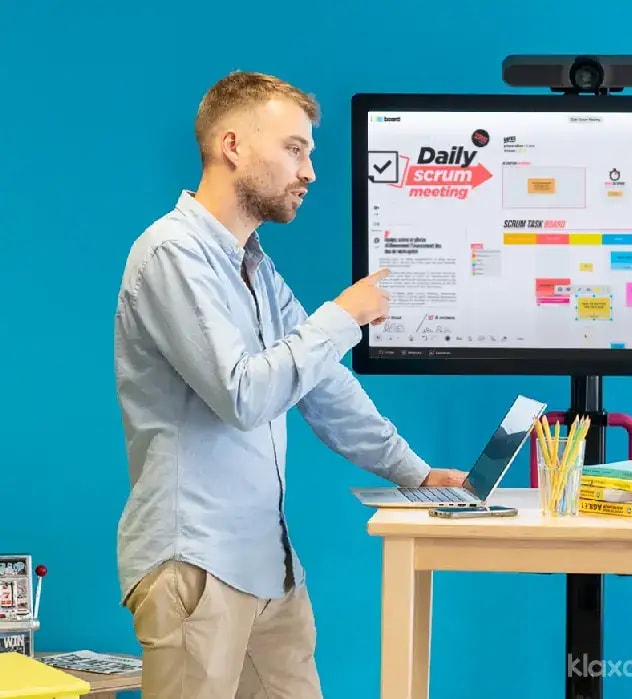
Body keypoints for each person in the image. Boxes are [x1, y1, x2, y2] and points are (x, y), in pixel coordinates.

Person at [112, 71, 466, 699]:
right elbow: (243, 394)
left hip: (267, 568)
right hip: (196, 567)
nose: (310, 172)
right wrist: (344, 315)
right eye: (295, 149)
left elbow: (323, 385)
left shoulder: (255, 267)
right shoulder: (172, 254)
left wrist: (414, 472)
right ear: (232, 147)